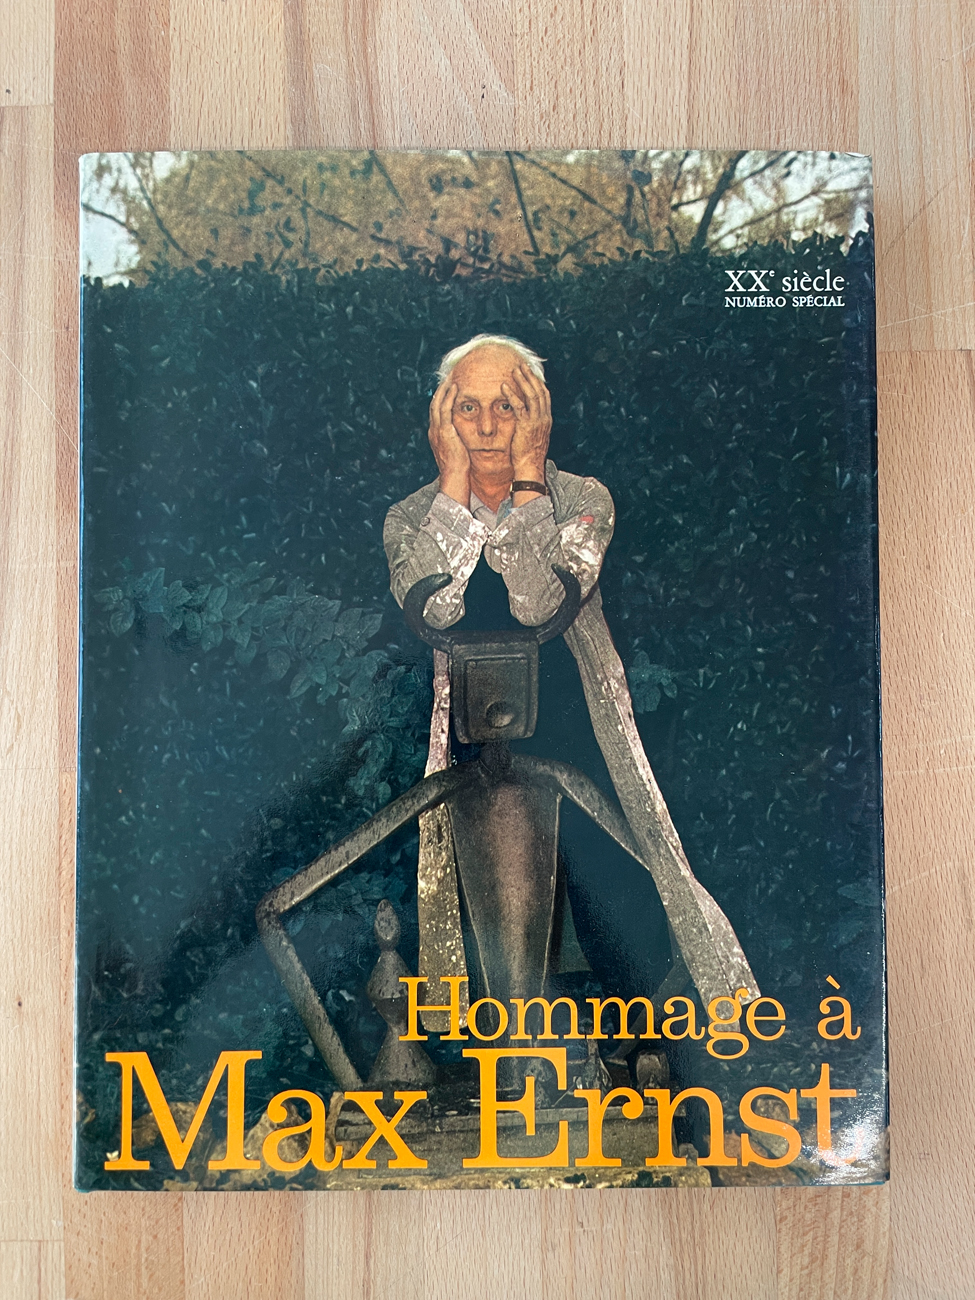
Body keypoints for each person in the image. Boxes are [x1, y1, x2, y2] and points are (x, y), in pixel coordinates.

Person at [383, 334, 757, 1020]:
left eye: (507, 406)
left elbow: (541, 603)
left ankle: (643, 1039)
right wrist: (452, 493)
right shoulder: (412, 517)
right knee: (488, 923)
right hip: (473, 741)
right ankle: (504, 1053)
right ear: (441, 420)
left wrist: (528, 481)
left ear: (537, 414)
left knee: (616, 901)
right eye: (468, 408)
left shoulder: (583, 499)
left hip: (577, 732)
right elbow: (433, 608)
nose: (487, 427)